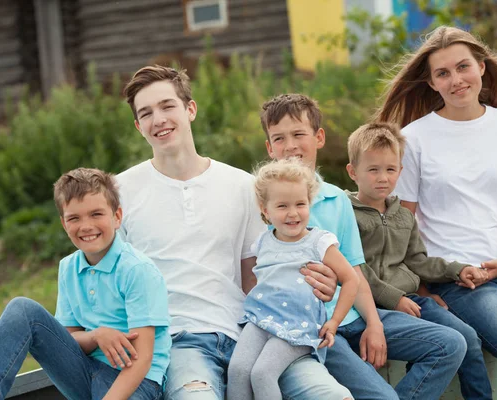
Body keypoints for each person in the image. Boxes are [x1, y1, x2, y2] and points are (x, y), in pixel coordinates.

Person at [117, 65, 351, 400]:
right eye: (146, 113)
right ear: (138, 126)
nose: (159, 119)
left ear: (190, 109)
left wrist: (316, 281)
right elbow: (111, 283)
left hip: (257, 330)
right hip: (181, 343)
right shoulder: (120, 191)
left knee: (333, 396)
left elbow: (260, 270)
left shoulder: (242, 185)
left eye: (168, 106)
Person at [376, 25, 497, 400]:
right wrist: (424, 288)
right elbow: (402, 224)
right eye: (443, 73)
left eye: (463, 67)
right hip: (461, 278)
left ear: (482, 67)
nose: (456, 80)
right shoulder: (414, 138)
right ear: (431, 82)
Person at [261, 93, 468, 400]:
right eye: (279, 138)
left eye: (299, 134)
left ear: (318, 137)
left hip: (355, 316)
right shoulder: (268, 205)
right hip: (317, 329)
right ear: (269, 148)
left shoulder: (337, 201)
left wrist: (374, 325)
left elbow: (355, 271)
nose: (290, 145)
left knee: (452, 344)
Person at [0, 168, 171, 400]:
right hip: (85, 371)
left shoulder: (137, 270)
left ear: (117, 217)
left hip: (135, 382)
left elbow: (142, 360)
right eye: (74, 218)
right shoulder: (68, 267)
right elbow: (69, 338)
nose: (86, 226)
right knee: (22, 309)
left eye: (96, 214)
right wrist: (96, 336)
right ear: (64, 224)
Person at [345, 122, 493, 399]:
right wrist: (395, 299)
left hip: (413, 301)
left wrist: (457, 270)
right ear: (353, 172)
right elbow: (356, 269)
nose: (382, 178)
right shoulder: (346, 214)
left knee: (469, 338)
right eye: (373, 169)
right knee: (441, 345)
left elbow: (419, 261)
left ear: (400, 172)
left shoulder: (403, 216)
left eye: (390, 169)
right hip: (373, 307)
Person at [227, 158, 360, 400]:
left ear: (310, 203)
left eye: (301, 204)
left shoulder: (319, 242)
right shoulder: (262, 242)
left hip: (297, 326)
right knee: (237, 370)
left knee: (262, 373)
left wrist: (335, 320)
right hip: (259, 319)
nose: (293, 213)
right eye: (282, 206)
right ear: (265, 210)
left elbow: (351, 279)